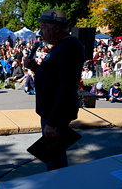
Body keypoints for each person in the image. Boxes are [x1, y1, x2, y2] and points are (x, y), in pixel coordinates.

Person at [28, 9, 84, 171]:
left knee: (54, 161)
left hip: (55, 115)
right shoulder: (60, 46)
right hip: (50, 112)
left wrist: (53, 122)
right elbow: (53, 77)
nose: (40, 32)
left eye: (43, 27)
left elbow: (66, 86)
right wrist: (36, 68)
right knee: (54, 156)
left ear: (56, 28)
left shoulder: (69, 47)